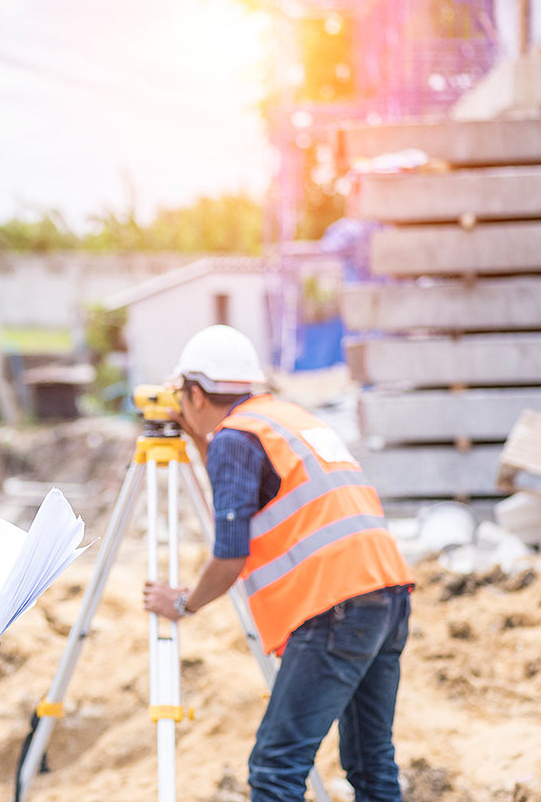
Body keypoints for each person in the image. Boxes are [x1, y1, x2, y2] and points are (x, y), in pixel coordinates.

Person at [142, 325, 415, 802]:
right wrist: (202, 440)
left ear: (196, 393)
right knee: (371, 761)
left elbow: (230, 557)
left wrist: (183, 604)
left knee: (275, 768)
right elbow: (251, 485)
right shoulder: (283, 418)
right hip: (387, 594)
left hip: (337, 608)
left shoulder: (234, 439)